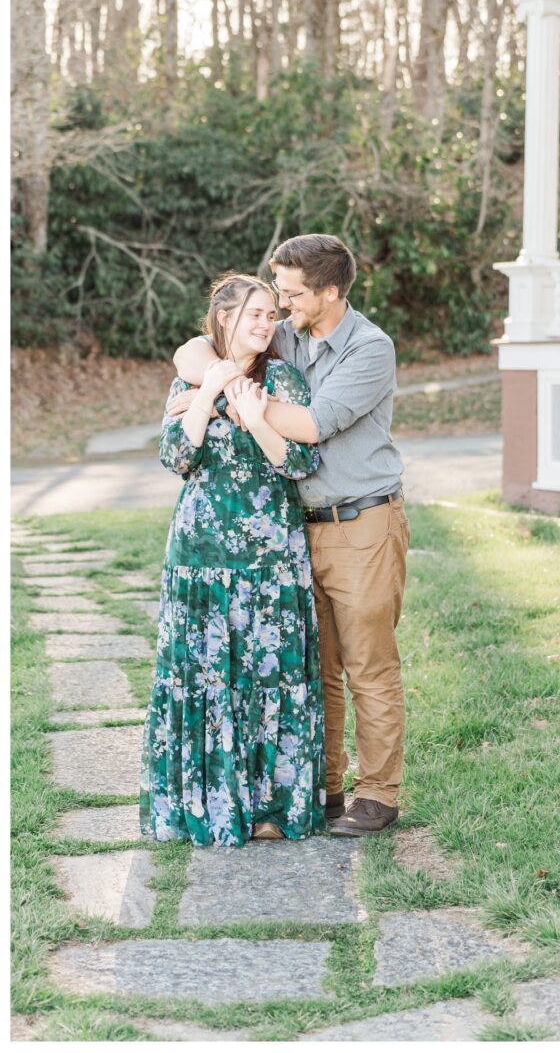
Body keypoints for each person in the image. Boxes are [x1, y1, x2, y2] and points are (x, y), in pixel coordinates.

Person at [166, 234, 408, 838]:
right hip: (297, 531)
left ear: (330, 292)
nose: (279, 302)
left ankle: (377, 796)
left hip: (361, 522)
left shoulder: (370, 348)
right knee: (312, 667)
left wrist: (233, 403)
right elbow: (196, 347)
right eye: (276, 291)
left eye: (292, 292)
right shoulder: (289, 331)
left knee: (367, 665)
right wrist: (212, 381)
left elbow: (314, 426)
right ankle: (322, 787)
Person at [143, 275, 327, 845]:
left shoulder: (283, 379)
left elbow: (298, 464)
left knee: (269, 676)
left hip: (271, 557)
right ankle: (208, 805)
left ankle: (272, 808)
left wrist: (252, 418)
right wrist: (207, 396)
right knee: (204, 677)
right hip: (201, 558)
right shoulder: (193, 376)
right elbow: (177, 457)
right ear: (224, 317)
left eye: (272, 314)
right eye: (255, 313)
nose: (266, 323)